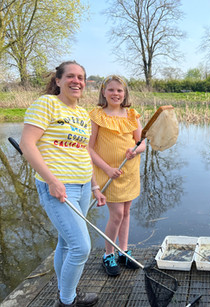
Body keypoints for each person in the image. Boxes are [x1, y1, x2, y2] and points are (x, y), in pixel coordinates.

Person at [20, 61, 106, 307]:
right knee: (81, 248)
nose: (76, 81)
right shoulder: (45, 104)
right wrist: (52, 181)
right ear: (58, 80)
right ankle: (67, 301)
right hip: (58, 187)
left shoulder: (81, 114)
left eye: (81, 77)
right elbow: (27, 145)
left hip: (81, 187)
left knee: (66, 242)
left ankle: (64, 290)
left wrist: (95, 187)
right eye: (70, 76)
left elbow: (82, 153)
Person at [88, 75, 146, 276]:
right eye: (111, 90)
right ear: (104, 92)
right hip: (108, 173)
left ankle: (123, 250)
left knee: (127, 212)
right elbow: (89, 148)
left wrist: (134, 150)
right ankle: (108, 254)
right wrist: (106, 168)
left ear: (125, 93)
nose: (115, 94)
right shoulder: (96, 115)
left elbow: (143, 144)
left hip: (128, 171)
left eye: (119, 90)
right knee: (117, 214)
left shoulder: (132, 115)